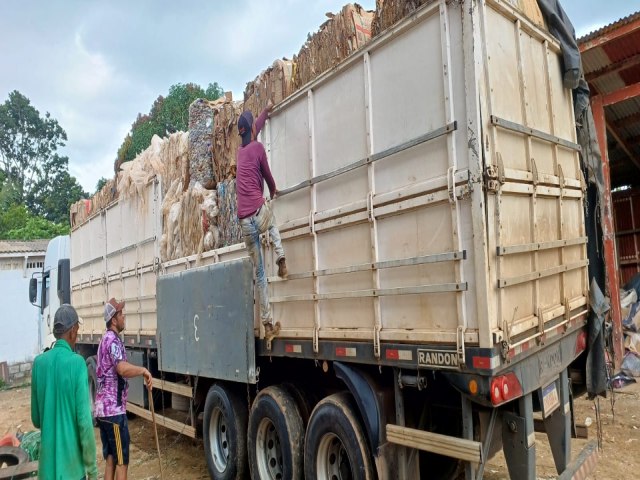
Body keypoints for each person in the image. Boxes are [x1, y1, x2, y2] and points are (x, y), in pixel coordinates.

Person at [237, 101, 288, 343]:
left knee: (259, 274)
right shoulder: (258, 149)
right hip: (258, 213)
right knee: (272, 220)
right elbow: (267, 175)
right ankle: (281, 258)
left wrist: (266, 111)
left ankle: (268, 325)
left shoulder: (242, 151)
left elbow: (254, 126)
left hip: (244, 223)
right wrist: (275, 190)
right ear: (251, 132)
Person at [31, 304, 98, 480]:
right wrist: (92, 470)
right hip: (72, 471)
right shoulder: (77, 364)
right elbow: (84, 424)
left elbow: (36, 419)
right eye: (77, 328)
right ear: (73, 330)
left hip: (46, 471)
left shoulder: (38, 363)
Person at [95, 298, 153, 480]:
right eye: (121, 314)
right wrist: (143, 370)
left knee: (111, 459)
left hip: (103, 412)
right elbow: (121, 368)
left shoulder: (106, 339)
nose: (124, 316)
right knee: (122, 461)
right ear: (113, 319)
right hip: (113, 413)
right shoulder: (112, 341)